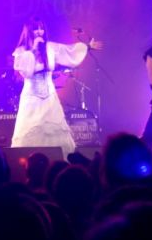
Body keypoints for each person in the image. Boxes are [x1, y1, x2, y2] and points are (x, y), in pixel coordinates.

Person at [11, 17, 102, 157]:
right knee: (31, 130)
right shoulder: (22, 51)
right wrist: (34, 49)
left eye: (41, 28)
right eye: (36, 29)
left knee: (54, 130)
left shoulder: (50, 48)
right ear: (29, 31)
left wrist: (87, 46)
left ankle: (57, 161)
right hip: (31, 98)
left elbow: (69, 51)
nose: (39, 32)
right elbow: (25, 72)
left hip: (50, 98)